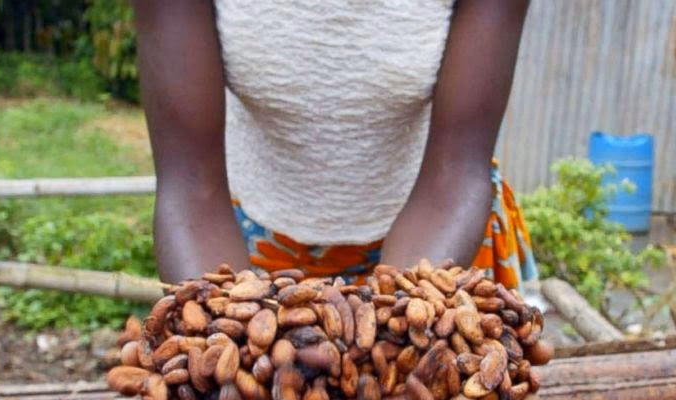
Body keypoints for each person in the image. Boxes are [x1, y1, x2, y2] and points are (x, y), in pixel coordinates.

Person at [131, 0, 536, 290]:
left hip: (442, 240)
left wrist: (392, 338)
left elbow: (455, 172)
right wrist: (228, 333)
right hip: (237, 246)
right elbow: (192, 186)